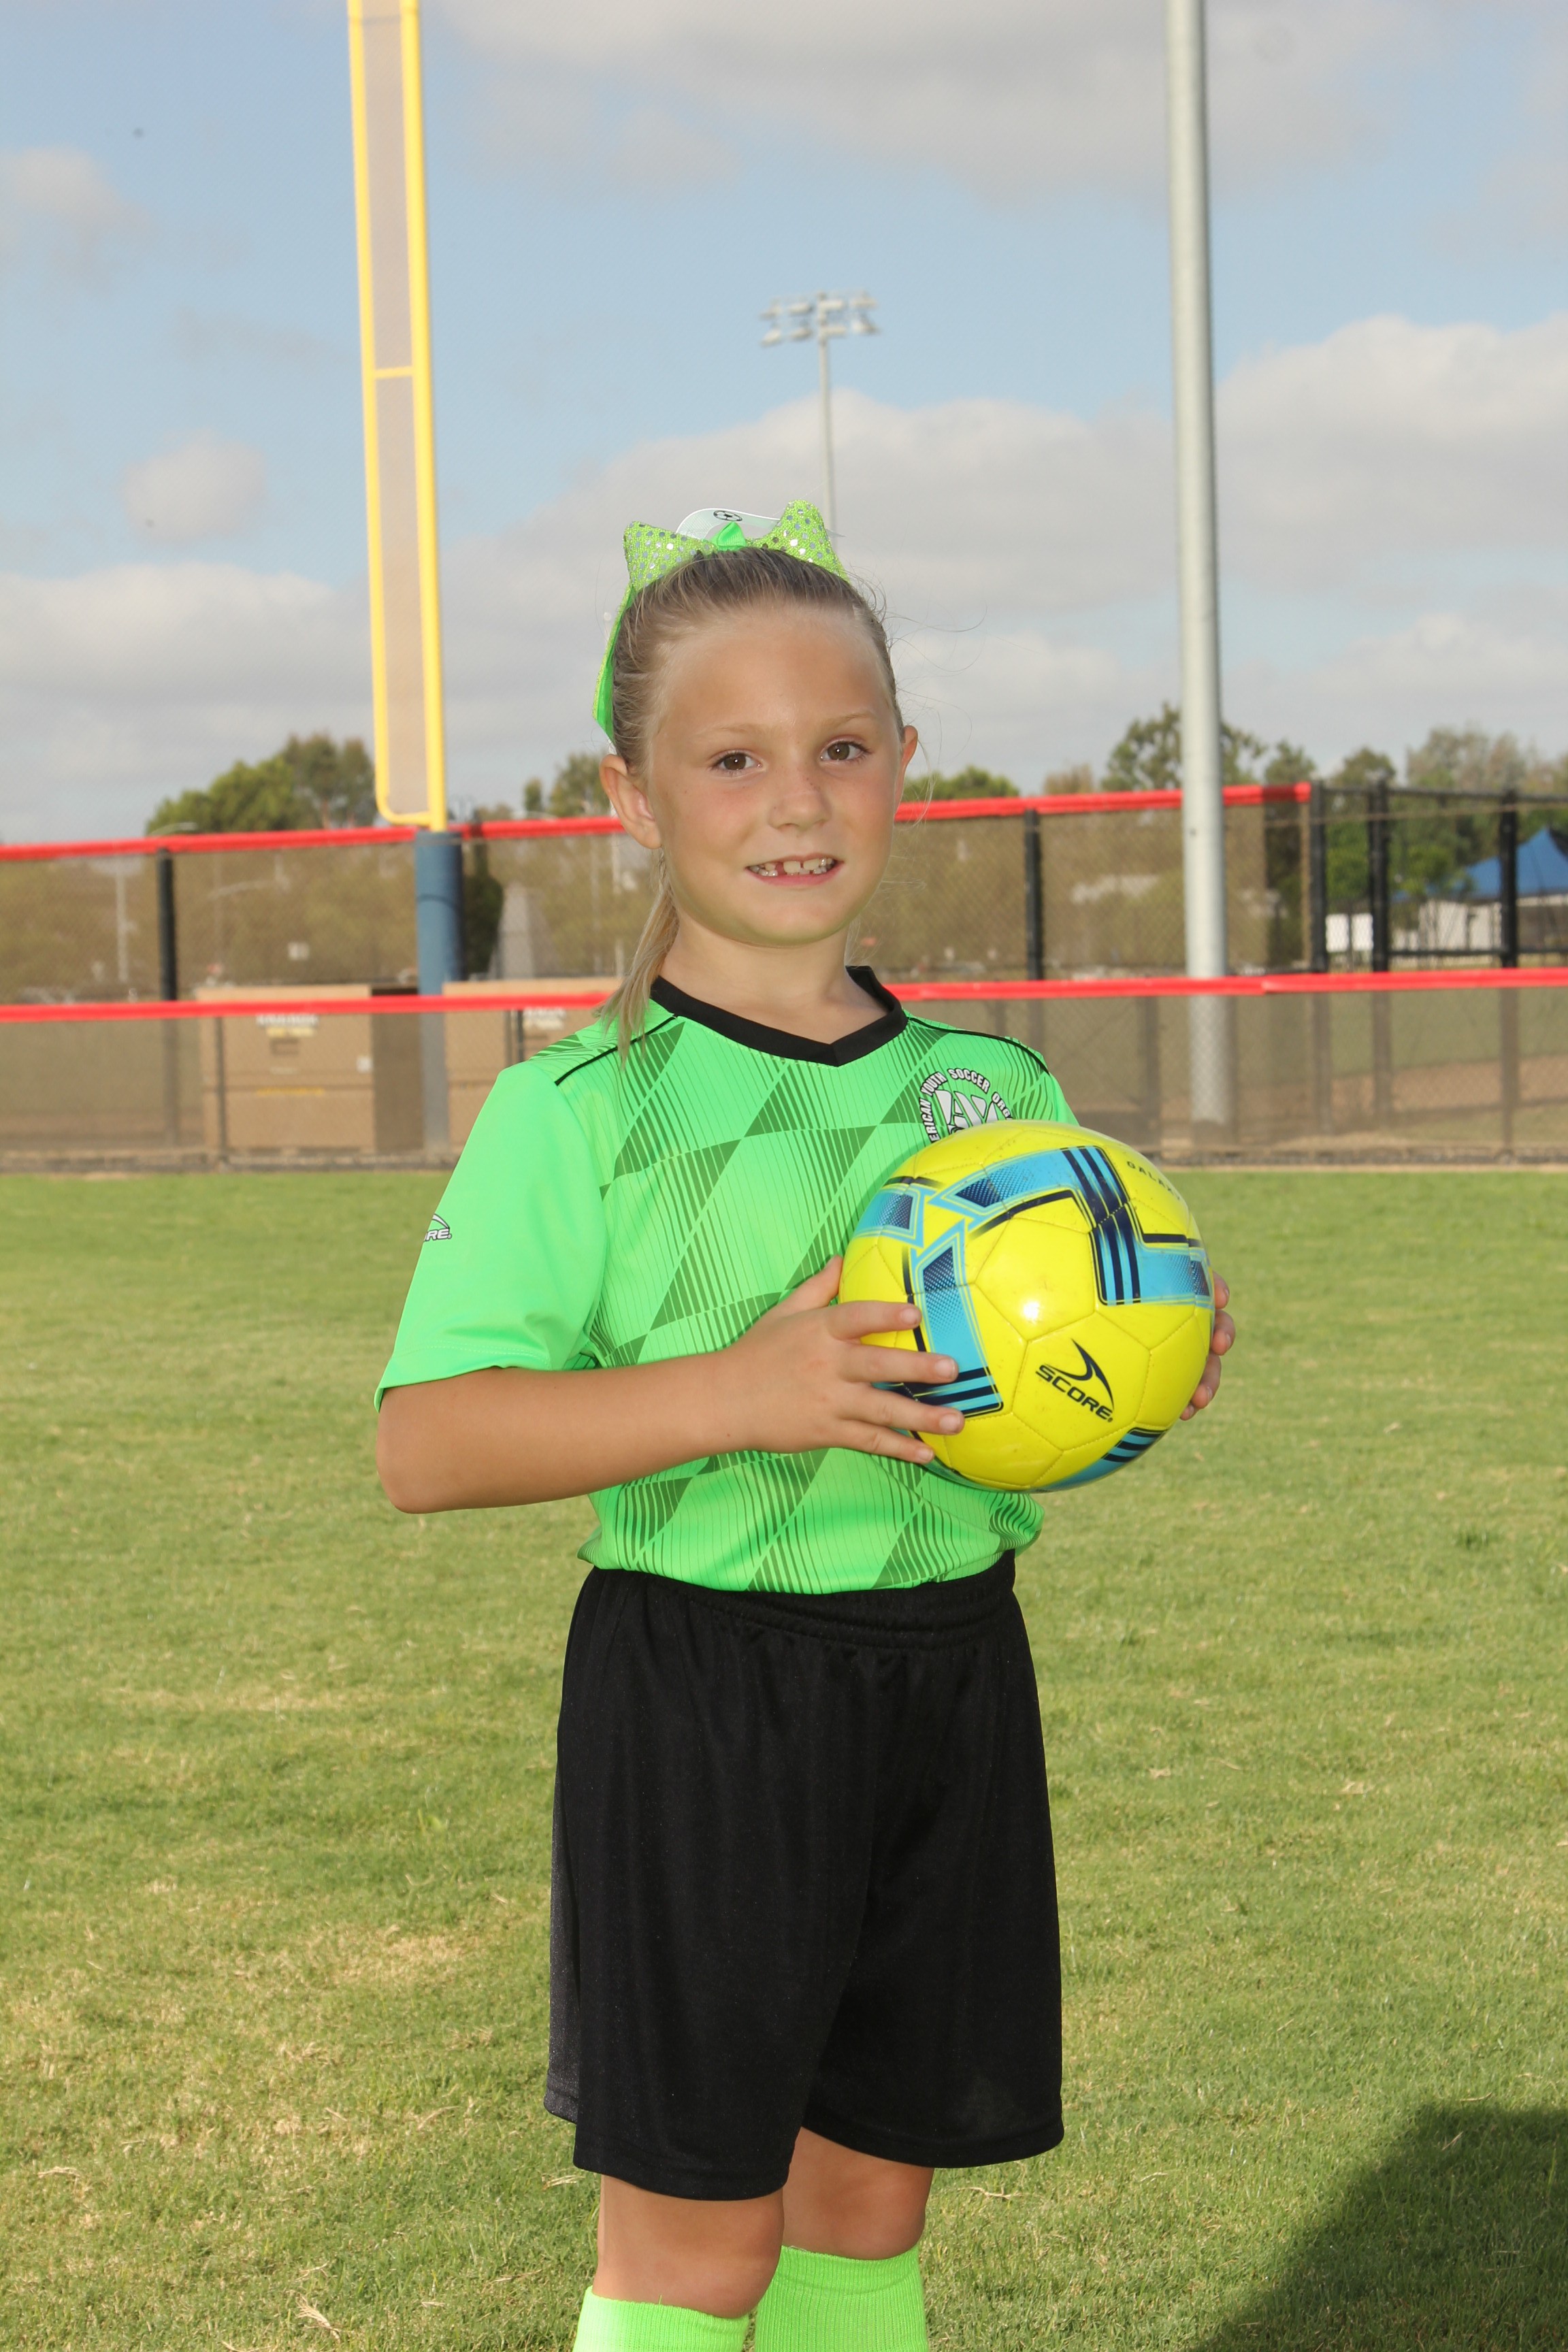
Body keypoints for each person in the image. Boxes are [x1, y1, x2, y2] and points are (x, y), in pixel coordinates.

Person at [375, 503, 1234, 2352]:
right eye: (734, 759)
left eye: (842, 748)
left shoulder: (991, 1090)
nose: (797, 801)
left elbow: (1025, 1361)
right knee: (699, 2250)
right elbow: (425, 1445)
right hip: (708, 1698)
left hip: (948, 1678)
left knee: (867, 2218)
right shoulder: (580, 1108)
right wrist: (741, 1393)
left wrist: (1136, 1350)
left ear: (905, 763)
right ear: (632, 796)